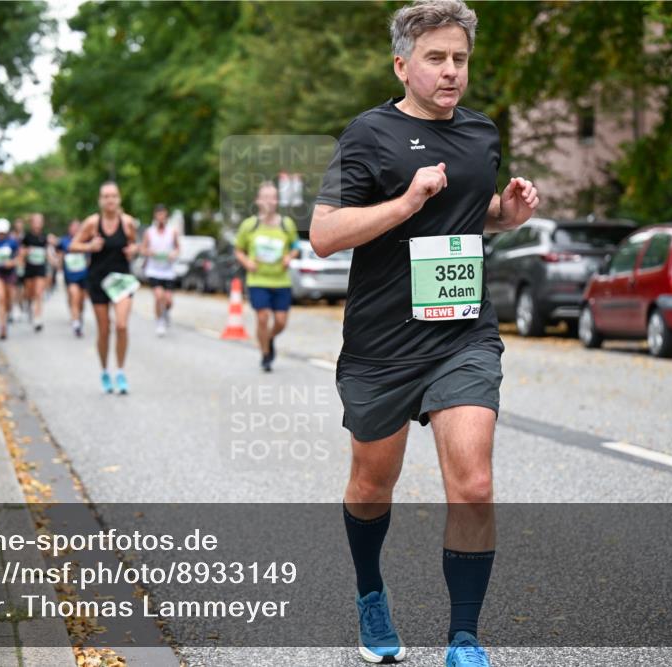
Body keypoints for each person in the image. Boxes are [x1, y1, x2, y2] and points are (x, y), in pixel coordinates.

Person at [309, 2, 540, 664]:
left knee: (473, 482)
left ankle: (464, 635)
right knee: (370, 485)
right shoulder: (368, 134)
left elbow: (471, 216)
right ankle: (370, 591)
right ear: (402, 64)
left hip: (462, 335)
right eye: (436, 58)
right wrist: (406, 201)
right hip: (382, 344)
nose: (450, 71)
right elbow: (325, 234)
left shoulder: (481, 134)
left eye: (460, 59)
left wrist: (507, 214)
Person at [71, 181, 138, 394]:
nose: (110, 200)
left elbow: (134, 244)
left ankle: (120, 371)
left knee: (121, 326)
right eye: (106, 196)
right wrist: (89, 246)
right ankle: (104, 372)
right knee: (104, 330)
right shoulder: (92, 223)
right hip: (98, 280)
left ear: (119, 199)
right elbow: (73, 245)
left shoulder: (127, 223)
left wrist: (133, 250)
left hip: (121, 281)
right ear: (100, 200)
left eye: (114, 196)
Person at [234, 181, 300, 372]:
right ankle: (265, 354)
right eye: (266, 197)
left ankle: (268, 338)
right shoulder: (250, 225)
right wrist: (247, 262)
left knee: (280, 321)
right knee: (262, 317)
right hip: (258, 280)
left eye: (273, 197)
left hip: (281, 280)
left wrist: (289, 256)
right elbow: (238, 250)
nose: (270, 201)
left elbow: (295, 247)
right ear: (257, 201)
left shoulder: (287, 225)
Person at [140, 203, 180, 336]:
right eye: (158, 214)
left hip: (168, 271)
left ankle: (166, 312)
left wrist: (174, 254)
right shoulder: (149, 232)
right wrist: (149, 252)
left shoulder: (172, 231)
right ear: (155, 216)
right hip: (154, 270)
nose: (161, 217)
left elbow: (178, 248)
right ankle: (160, 321)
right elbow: (143, 249)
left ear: (166, 215)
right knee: (158, 297)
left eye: (163, 214)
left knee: (168, 300)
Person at [58, 219, 89, 337]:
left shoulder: (85, 240)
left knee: (81, 300)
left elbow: (89, 257)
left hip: (84, 275)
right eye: (73, 227)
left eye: (78, 227)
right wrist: (59, 268)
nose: (75, 229)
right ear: (69, 228)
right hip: (70, 276)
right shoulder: (64, 241)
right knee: (74, 296)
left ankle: (79, 316)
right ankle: (76, 324)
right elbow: (60, 255)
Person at [21, 213, 50, 332]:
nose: (37, 224)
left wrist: (54, 261)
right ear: (31, 223)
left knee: (39, 293)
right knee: (29, 293)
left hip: (40, 268)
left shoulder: (44, 237)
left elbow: (47, 252)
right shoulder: (27, 237)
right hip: (29, 268)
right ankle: (28, 304)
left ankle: (38, 318)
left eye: (39, 221)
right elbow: (21, 252)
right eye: (35, 221)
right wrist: (27, 251)